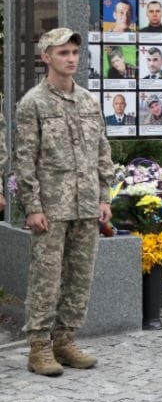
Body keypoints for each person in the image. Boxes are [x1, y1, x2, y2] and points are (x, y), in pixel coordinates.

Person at [14, 28, 114, 376]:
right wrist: (33, 206)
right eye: (63, 53)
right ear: (46, 57)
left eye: (74, 52)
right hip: (52, 207)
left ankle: (65, 339)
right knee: (46, 276)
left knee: (79, 276)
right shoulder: (33, 103)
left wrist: (104, 196)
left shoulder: (88, 101)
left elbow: (102, 151)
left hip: (86, 204)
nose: (71, 58)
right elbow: (25, 159)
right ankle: (39, 346)